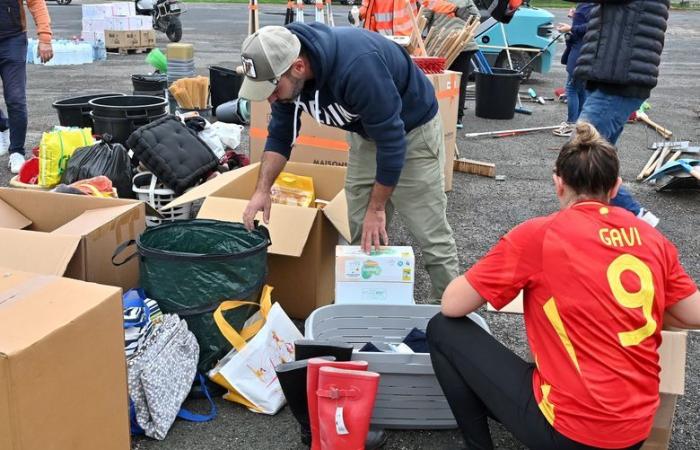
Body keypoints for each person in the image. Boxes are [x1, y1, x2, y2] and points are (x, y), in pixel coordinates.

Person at [427, 121, 700, 450]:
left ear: (558, 183)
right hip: (635, 431)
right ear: (615, 187)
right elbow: (693, 314)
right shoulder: (653, 238)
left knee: (441, 329)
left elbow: (452, 304)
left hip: (572, 435)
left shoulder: (538, 235)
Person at [238, 24, 460, 299]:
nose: (270, 97)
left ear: (298, 67)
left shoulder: (357, 67)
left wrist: (377, 207)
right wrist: (262, 189)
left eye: (272, 89)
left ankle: (453, 317)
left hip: (411, 131)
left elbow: (392, 142)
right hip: (366, 134)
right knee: (361, 232)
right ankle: (370, 306)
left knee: (430, 234)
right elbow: (280, 136)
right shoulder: (283, 69)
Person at [572, 0, 670, 226]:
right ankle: (604, 219)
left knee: (581, 155)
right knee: (598, 157)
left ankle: (637, 218)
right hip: (611, 79)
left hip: (617, 82)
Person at [0, 0, 53, 173]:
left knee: (15, 98)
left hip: (12, 40)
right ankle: (3, 126)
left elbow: (36, 3)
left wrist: (44, 37)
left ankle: (16, 152)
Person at [421, 0, 481, 129]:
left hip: (440, 44)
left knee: (438, 81)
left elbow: (423, 18)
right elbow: (476, 17)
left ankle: (438, 114)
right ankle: (457, 117)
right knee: (459, 83)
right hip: (464, 43)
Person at [552, 3, 593, 137]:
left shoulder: (591, 5)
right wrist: (575, 17)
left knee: (572, 88)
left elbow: (591, 27)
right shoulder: (588, 6)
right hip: (582, 50)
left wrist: (571, 27)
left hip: (581, 51)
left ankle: (572, 124)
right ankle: (581, 124)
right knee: (580, 88)